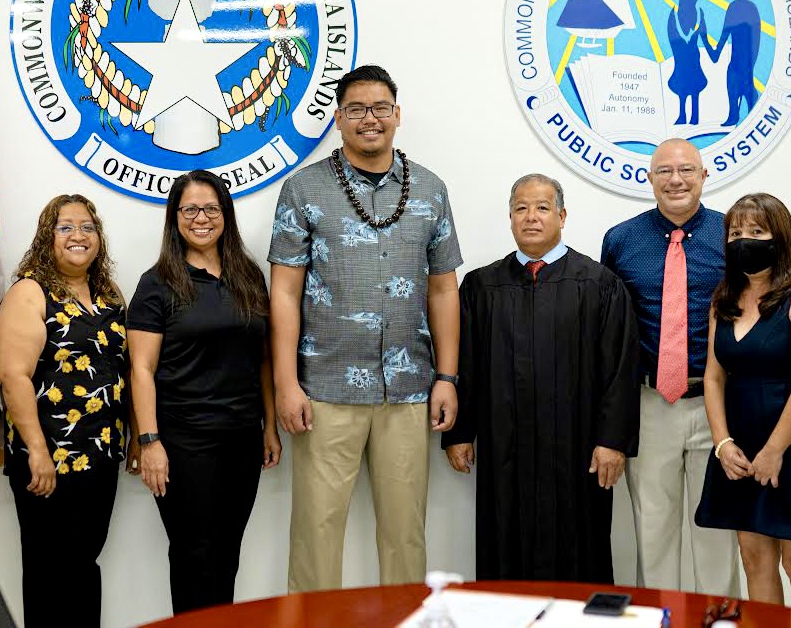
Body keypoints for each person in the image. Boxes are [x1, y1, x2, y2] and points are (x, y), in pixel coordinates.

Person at [269, 64, 463, 592]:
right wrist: (286, 383)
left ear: (397, 116)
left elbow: (443, 289)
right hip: (325, 389)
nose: (369, 119)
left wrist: (447, 377)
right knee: (317, 532)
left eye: (380, 108)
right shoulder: (303, 189)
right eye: (356, 109)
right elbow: (284, 291)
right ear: (339, 118)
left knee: (405, 536)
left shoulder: (429, 189)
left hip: (407, 391)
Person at [441, 173, 639, 582]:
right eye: (521, 208)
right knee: (504, 541)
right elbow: (466, 364)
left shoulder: (599, 284)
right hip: (504, 449)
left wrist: (612, 442)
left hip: (578, 451)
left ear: (562, 216)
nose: (531, 217)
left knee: (580, 546)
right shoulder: (481, 287)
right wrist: (460, 433)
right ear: (510, 218)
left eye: (543, 208)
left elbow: (619, 370)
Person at [128, 170, 282, 614]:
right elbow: (141, 367)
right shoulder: (156, 283)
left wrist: (269, 426)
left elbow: (263, 358)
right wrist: (149, 440)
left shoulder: (248, 276)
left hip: (241, 438)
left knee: (227, 554)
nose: (201, 218)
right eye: (190, 209)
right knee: (195, 556)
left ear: (225, 215)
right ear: (174, 217)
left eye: (211, 209)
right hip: (183, 442)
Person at [601, 138, 740, 596]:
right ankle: (656, 618)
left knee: (716, 533)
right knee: (653, 530)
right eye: (664, 171)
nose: (675, 180)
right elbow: (611, 330)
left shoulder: (732, 236)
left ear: (704, 176)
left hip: (717, 405)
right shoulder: (620, 241)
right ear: (649, 179)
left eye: (686, 170)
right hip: (649, 403)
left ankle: (720, 623)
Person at [694, 193, 791, 610]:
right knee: (754, 558)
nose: (744, 240)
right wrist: (722, 444)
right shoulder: (725, 296)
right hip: (738, 449)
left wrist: (775, 450)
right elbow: (714, 376)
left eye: (756, 231)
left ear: (780, 237)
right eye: (736, 232)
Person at [0, 194, 129, 628]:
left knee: (83, 564)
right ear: (46, 237)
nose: (78, 235)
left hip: (101, 454)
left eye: (87, 227)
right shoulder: (30, 291)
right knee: (49, 570)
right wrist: (37, 451)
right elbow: (13, 376)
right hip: (49, 457)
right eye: (66, 227)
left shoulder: (108, 294)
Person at [705, 0, 762, 128]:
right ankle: (733, 112)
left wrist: (748, 69)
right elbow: (719, 49)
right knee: (735, 117)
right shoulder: (735, 8)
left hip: (743, 69)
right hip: (739, 68)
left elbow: (755, 42)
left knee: (750, 116)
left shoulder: (745, 9)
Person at [666, 0, 709, 126]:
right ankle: (682, 114)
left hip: (694, 58)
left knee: (695, 85)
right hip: (681, 59)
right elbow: (672, 36)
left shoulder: (699, 13)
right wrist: (681, 47)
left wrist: (713, 52)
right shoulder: (674, 14)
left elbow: (704, 36)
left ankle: (695, 116)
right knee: (682, 86)